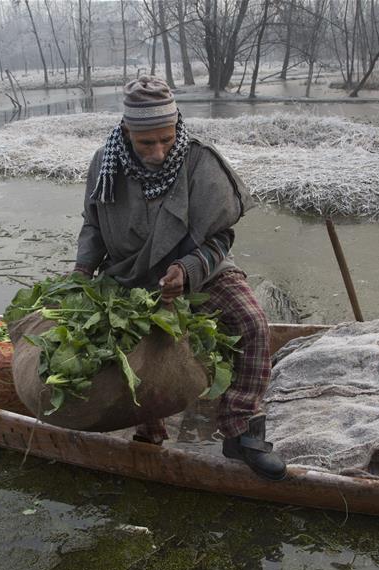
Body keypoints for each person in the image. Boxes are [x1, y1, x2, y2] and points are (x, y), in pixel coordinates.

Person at [72, 76, 286, 481]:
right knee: (142, 358)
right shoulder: (105, 164)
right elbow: (93, 225)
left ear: (177, 127)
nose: (157, 152)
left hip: (199, 268)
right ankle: (149, 435)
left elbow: (222, 236)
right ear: (127, 132)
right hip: (131, 276)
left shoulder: (198, 162)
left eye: (166, 140)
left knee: (253, 324)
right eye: (145, 143)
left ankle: (241, 430)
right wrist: (83, 270)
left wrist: (188, 270)